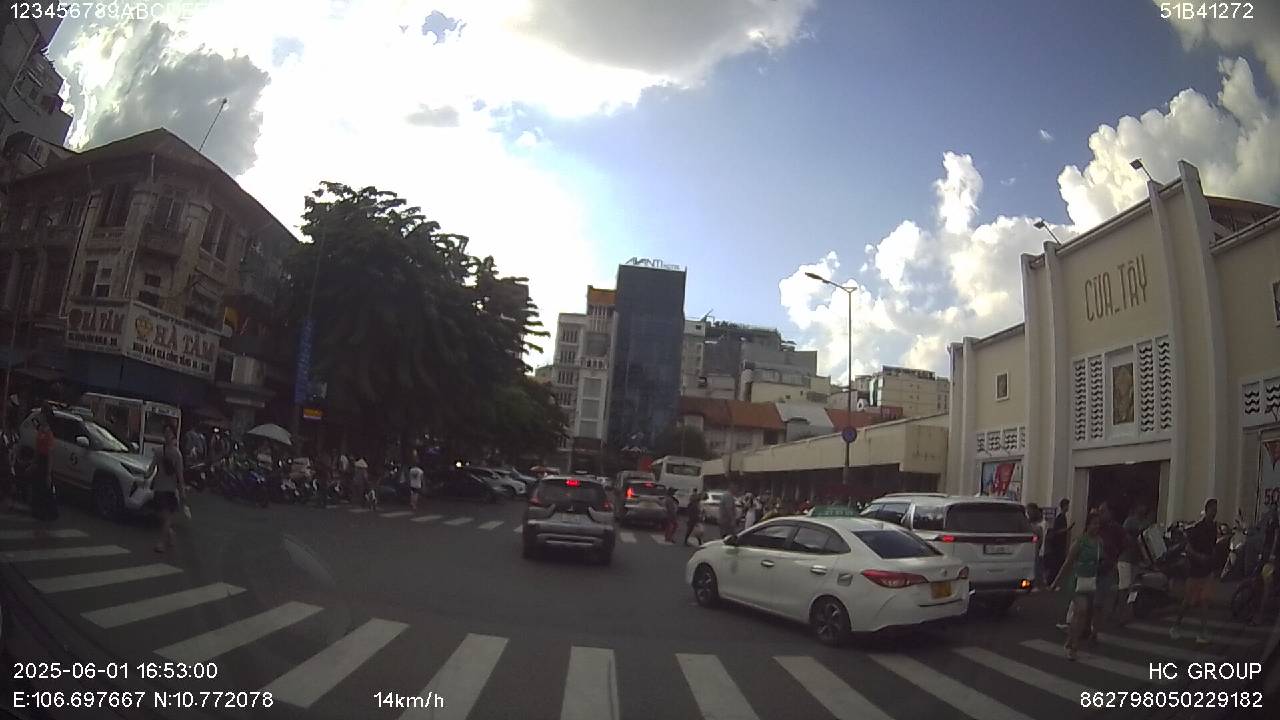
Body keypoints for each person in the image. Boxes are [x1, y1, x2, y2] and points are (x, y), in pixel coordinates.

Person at [1052, 510, 1104, 661]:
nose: (1096, 526)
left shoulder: (1099, 542)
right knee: (1081, 611)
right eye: (1094, 523)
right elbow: (1067, 563)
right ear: (1087, 525)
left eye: (1098, 524)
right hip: (1076, 581)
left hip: (1091, 581)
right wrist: (1055, 582)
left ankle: (1070, 640)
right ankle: (1073, 647)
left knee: (1082, 615)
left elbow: (1100, 562)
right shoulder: (1080, 542)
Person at [1171, 498, 1220, 643]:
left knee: (1205, 601)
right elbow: (1188, 548)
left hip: (1207, 570)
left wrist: (1213, 559)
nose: (1214, 513)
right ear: (1207, 510)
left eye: (1216, 510)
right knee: (1187, 602)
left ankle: (1202, 632)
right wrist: (1199, 557)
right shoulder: (1197, 528)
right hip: (1196, 571)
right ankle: (1176, 625)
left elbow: (1212, 547)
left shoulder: (1214, 528)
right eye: (1212, 509)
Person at [148, 423, 185, 553]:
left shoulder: (177, 454)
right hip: (159, 488)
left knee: (167, 517)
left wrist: (182, 491)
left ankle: (162, 542)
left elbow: (180, 475)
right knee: (164, 517)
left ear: (174, 435)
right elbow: (151, 468)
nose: (167, 435)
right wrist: (144, 478)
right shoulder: (159, 452)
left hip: (170, 489)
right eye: (166, 432)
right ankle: (170, 536)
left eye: (170, 432)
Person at [1115, 504, 1151, 624]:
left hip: (1136, 559)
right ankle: (1121, 613)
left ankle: (1127, 611)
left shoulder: (1145, 522)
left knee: (1133, 587)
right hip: (1125, 558)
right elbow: (1124, 536)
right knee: (1124, 587)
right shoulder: (1130, 521)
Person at [28, 403, 59, 532]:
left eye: (42, 414)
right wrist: (34, 462)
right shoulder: (41, 430)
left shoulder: (49, 433)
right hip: (40, 460)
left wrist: (48, 473)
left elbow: (50, 454)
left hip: (45, 462)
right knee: (38, 486)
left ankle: (47, 513)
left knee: (45, 487)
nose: (40, 416)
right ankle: (38, 510)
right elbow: (37, 448)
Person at [1251, 507, 1280, 626]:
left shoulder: (1275, 522)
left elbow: (1276, 538)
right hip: (1266, 555)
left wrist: (1272, 554)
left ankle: (1260, 616)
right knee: (1260, 582)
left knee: (1266, 587)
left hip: (1271, 557)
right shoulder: (1270, 521)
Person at [1046, 498, 1073, 585]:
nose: (1068, 507)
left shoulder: (1063, 517)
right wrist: (1067, 529)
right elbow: (1056, 531)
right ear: (1063, 506)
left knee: (1059, 564)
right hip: (1058, 545)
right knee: (1056, 564)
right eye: (1067, 505)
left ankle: (1054, 582)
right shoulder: (1060, 518)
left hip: (1061, 544)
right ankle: (1051, 581)